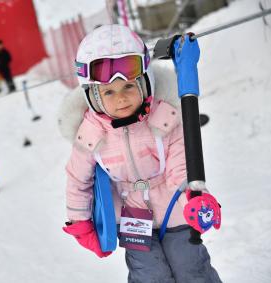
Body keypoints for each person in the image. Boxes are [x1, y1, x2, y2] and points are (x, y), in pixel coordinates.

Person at [62, 25, 221, 282]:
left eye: (128, 87)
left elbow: (181, 167)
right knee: (150, 275)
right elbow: (78, 179)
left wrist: (193, 197)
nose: (121, 99)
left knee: (191, 267)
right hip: (133, 219)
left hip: (175, 210)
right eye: (109, 92)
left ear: (145, 81)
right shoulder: (90, 133)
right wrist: (79, 223)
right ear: (93, 95)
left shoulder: (165, 116)